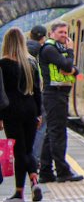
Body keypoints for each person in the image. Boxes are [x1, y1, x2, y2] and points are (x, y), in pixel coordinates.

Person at [0, 28, 43, 202]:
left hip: (12, 111)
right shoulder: (31, 63)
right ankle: (34, 181)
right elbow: (38, 91)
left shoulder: (2, 64)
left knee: (19, 151)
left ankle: (19, 193)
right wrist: (39, 114)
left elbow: (0, 93)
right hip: (30, 109)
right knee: (27, 150)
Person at [37, 21, 84, 183]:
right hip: (54, 95)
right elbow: (66, 64)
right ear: (52, 33)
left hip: (58, 95)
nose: (64, 35)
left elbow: (73, 69)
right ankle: (63, 171)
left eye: (66, 32)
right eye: (61, 32)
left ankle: (45, 172)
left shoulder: (57, 49)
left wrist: (71, 67)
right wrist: (71, 53)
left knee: (51, 133)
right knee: (58, 134)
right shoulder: (50, 49)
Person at [27, 25, 47, 167]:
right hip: (36, 96)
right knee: (40, 128)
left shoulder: (21, 50)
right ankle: (34, 160)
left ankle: (24, 157)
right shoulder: (42, 51)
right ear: (43, 38)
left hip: (21, 99)